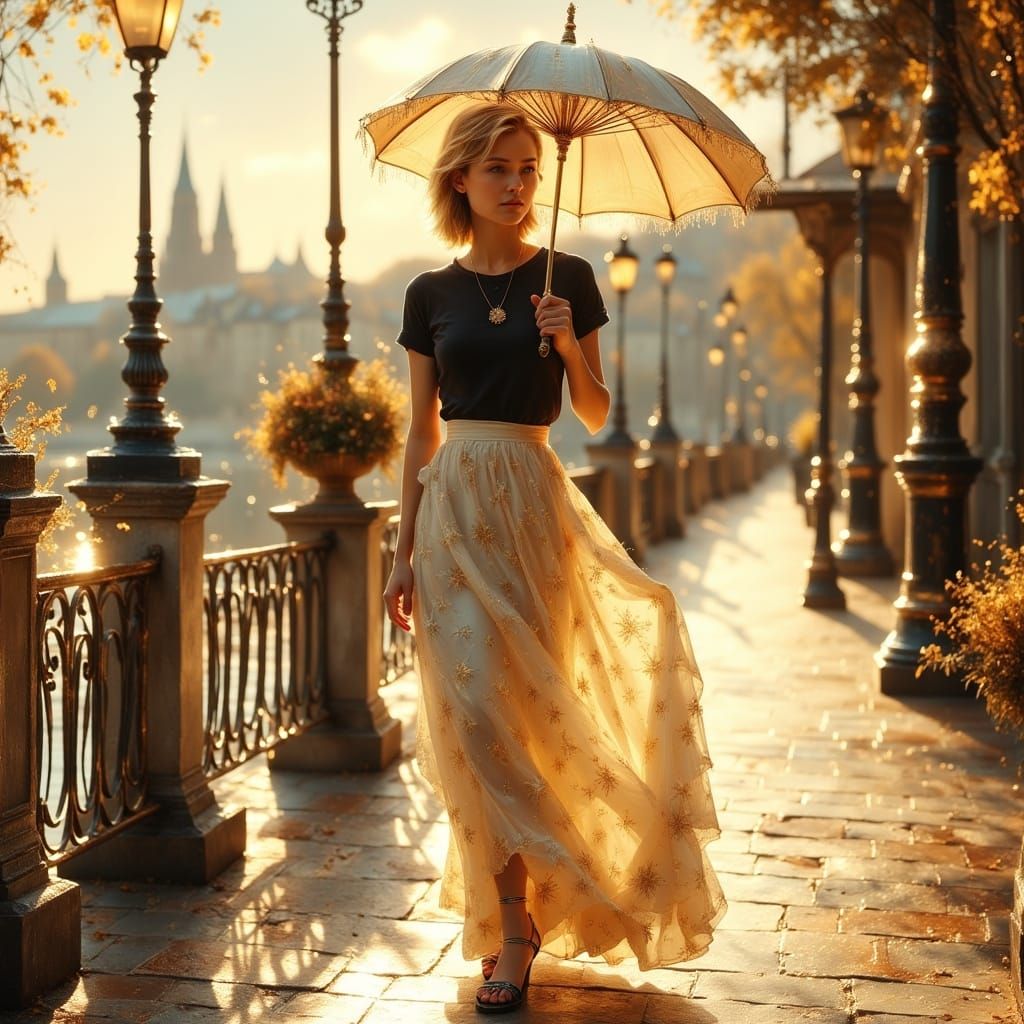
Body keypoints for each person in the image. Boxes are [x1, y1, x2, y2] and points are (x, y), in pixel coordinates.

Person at [383, 102, 725, 1015]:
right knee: (476, 721)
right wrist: (400, 552)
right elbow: (419, 433)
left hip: (533, 507)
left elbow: (599, 415)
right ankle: (511, 930)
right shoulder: (429, 294)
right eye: (499, 168)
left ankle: (546, 901)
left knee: (529, 717)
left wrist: (568, 343)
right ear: (460, 178)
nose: (519, 184)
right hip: (454, 509)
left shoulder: (567, 275)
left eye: (529, 169)